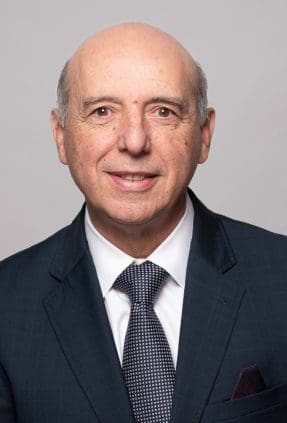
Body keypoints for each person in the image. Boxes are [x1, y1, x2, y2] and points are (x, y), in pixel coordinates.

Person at [0, 22, 287, 423]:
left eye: (163, 111)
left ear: (204, 134)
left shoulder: (280, 278)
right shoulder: (6, 306)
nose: (134, 141)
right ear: (61, 136)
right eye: (102, 111)